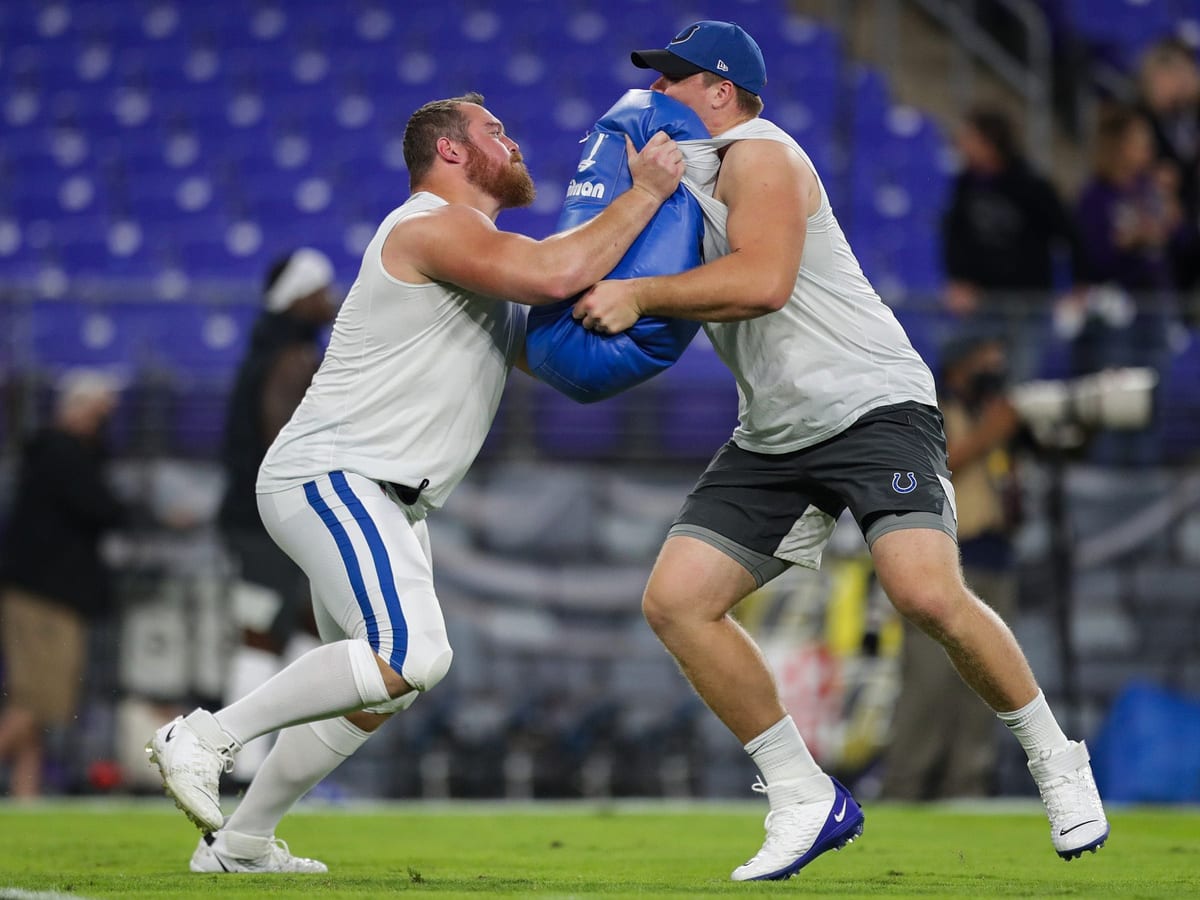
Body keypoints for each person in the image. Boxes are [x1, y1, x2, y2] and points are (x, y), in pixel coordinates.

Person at [571, 20, 1109, 881]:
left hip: (870, 404)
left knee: (923, 592)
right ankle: (802, 795)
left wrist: (638, 294)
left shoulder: (759, 153)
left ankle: (1056, 759)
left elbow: (762, 282)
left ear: (719, 90)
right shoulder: (685, 177)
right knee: (677, 601)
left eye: (672, 80)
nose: (655, 94)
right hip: (777, 429)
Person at [146, 91, 685, 873]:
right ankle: (203, 737)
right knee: (412, 653)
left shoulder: (476, 253)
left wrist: (653, 306)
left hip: (385, 491)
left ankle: (242, 844)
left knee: (378, 690)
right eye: (497, 130)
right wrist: (646, 194)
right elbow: (557, 269)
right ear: (453, 153)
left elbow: (566, 355)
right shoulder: (431, 225)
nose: (516, 141)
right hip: (338, 474)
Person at [881, 334, 1021, 801]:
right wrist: (990, 436)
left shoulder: (992, 410)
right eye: (988, 358)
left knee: (988, 683)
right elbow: (931, 465)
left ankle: (968, 788)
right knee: (929, 680)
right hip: (945, 557)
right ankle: (906, 786)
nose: (995, 369)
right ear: (962, 364)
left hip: (995, 552)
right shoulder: (935, 408)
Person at [217, 247, 337, 785]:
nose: (329, 301)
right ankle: (241, 761)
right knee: (262, 630)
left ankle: (277, 763)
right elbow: (284, 445)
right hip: (269, 521)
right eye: (320, 291)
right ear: (298, 298)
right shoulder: (290, 360)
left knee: (302, 627)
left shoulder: (264, 355)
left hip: (258, 519)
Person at [0, 371, 129, 796]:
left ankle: (26, 796)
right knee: (39, 701)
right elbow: (102, 506)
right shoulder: (63, 454)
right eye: (98, 414)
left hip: (42, 592)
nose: (103, 424)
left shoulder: (56, 452)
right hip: (46, 596)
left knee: (31, 701)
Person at [940, 106, 1088, 379]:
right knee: (952, 365)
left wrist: (1080, 283)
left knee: (1019, 383)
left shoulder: (1032, 185)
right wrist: (958, 279)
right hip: (984, 302)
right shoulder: (965, 184)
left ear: (989, 142)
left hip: (1027, 304)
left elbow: (1069, 234)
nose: (960, 143)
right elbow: (954, 235)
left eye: (969, 137)